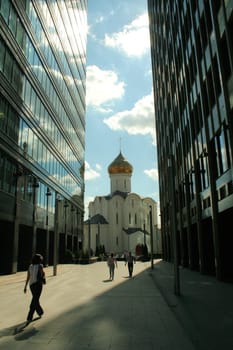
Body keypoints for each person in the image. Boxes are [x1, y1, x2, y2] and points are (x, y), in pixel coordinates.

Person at [24, 254, 46, 323]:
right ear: (39, 260)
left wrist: (25, 286)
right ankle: (38, 313)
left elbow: (28, 277)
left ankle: (33, 315)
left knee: (35, 300)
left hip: (32, 286)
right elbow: (42, 274)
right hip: (38, 285)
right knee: (35, 300)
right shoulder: (40, 266)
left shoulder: (30, 266)